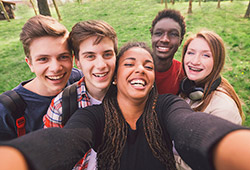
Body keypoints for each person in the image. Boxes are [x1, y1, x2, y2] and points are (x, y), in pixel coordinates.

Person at [0, 42, 249, 170]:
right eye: (129, 63)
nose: (140, 69)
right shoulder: (93, 116)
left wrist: (235, 148)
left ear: (152, 82)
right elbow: (67, 141)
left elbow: (191, 128)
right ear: (116, 77)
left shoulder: (167, 106)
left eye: (148, 66)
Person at [43, 20, 118, 170]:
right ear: (78, 62)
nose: (101, 64)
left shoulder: (131, 96)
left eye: (107, 54)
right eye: (90, 56)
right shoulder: (61, 106)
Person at [0, 15, 83, 141]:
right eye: (43, 59)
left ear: (72, 59)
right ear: (30, 64)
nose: (55, 68)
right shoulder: (8, 110)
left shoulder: (80, 80)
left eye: (63, 57)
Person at [174, 30, 245, 170]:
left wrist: (163, 153)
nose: (194, 61)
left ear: (217, 62)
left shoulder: (224, 109)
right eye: (191, 52)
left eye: (206, 55)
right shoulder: (188, 89)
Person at [150, 9, 186, 95]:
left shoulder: (182, 72)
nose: (165, 39)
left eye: (173, 34)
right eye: (158, 33)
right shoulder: (135, 68)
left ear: (180, 41)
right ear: (152, 37)